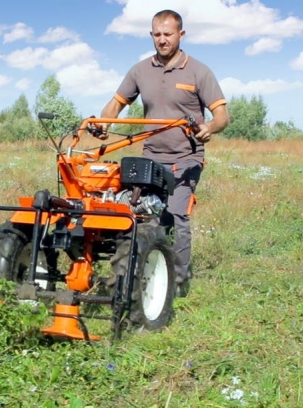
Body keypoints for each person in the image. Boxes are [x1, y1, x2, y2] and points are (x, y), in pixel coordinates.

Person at [96, 9, 229, 297]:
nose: (162, 39)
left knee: (176, 214)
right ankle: (143, 272)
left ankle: (177, 284)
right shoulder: (140, 70)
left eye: (168, 34)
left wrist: (210, 128)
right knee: (145, 215)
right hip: (151, 156)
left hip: (186, 157)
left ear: (181, 34)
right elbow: (116, 104)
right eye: (157, 34)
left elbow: (222, 115)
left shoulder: (198, 71)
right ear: (151, 36)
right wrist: (105, 122)